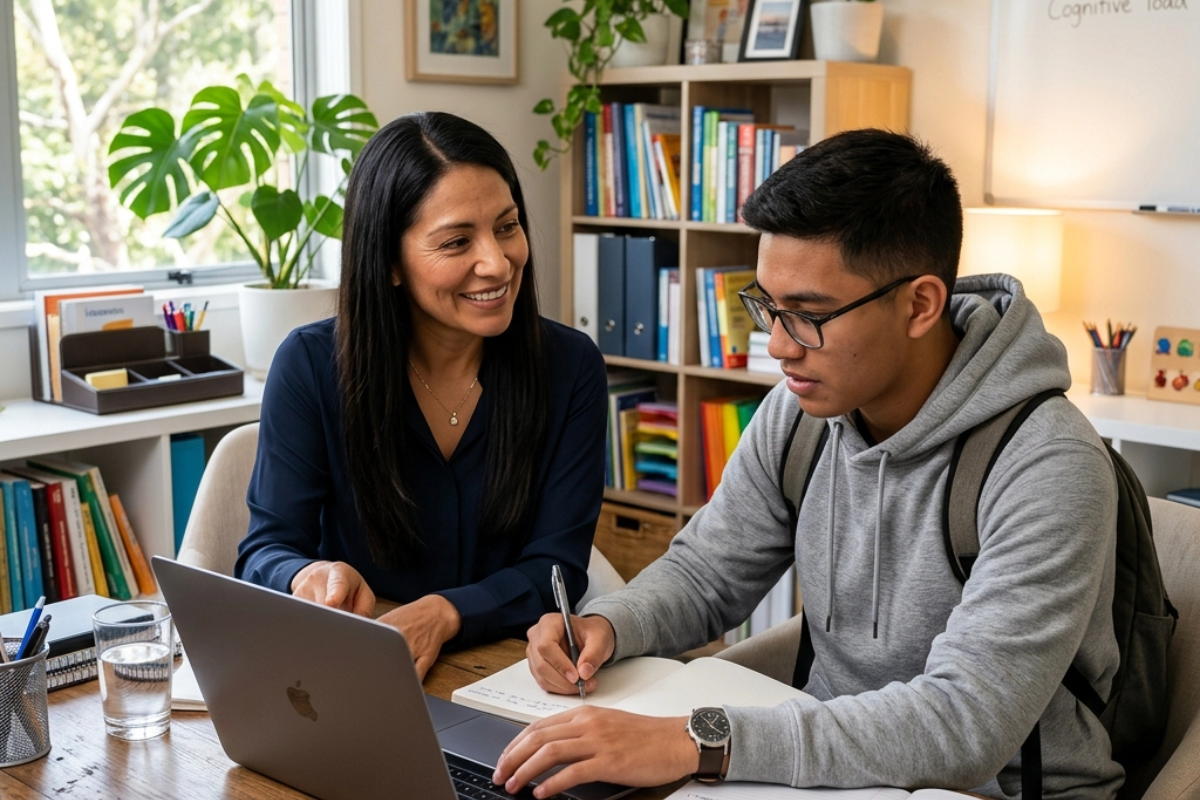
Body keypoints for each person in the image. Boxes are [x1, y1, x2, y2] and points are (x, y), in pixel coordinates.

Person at [495, 129, 1122, 800]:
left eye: (808, 315)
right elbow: (708, 571)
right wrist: (610, 624)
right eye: (768, 304)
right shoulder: (800, 414)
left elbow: (965, 726)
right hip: (824, 776)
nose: (777, 346)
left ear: (920, 305)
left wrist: (699, 740)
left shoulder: (1047, 464)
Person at [235, 112, 608, 680]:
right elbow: (264, 551)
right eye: (458, 241)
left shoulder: (571, 367)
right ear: (388, 263)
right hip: (360, 670)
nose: (498, 261)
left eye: (507, 227)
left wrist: (446, 613)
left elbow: (556, 568)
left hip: (509, 676)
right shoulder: (310, 366)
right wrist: (304, 576)